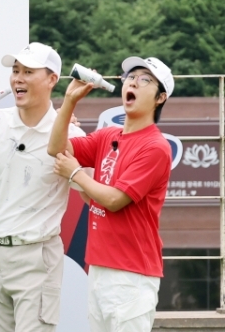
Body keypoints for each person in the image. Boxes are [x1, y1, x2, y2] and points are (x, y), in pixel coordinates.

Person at [0, 43, 85, 332]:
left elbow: (89, 193)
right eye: (15, 71)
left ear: (52, 79)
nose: (18, 79)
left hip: (37, 256)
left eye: (28, 72)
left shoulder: (71, 134)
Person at [48, 57, 173, 332]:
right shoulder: (108, 136)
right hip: (98, 267)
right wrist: (69, 101)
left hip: (132, 274)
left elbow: (115, 200)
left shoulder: (155, 147)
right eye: (130, 77)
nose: (133, 83)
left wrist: (75, 173)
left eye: (145, 80)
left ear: (160, 98)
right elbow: (56, 148)